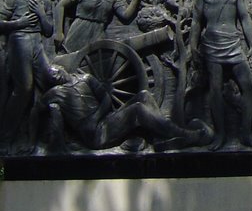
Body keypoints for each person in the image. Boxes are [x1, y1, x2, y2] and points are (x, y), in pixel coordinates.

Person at [35, 63, 212, 152]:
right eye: (51, 76)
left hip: (104, 121)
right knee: (137, 110)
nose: (55, 76)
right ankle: (186, 135)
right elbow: (37, 110)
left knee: (144, 95)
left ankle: (160, 138)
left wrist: (96, 116)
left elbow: (105, 98)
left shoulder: (86, 78)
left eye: (56, 71)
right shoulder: (55, 93)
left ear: (63, 68)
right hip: (96, 135)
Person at [189, 0, 252, 149]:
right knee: (215, 89)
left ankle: (246, 133)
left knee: (249, 87)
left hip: (233, 43)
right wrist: (193, 47)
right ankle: (220, 135)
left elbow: (245, 18)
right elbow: (196, 21)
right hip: (211, 43)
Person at [0, 0, 55, 146]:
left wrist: (41, 12)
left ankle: (39, 134)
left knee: (48, 82)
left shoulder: (45, 1)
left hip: (37, 42)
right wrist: (18, 23)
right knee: (24, 87)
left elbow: (48, 31)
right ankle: (7, 135)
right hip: (19, 40)